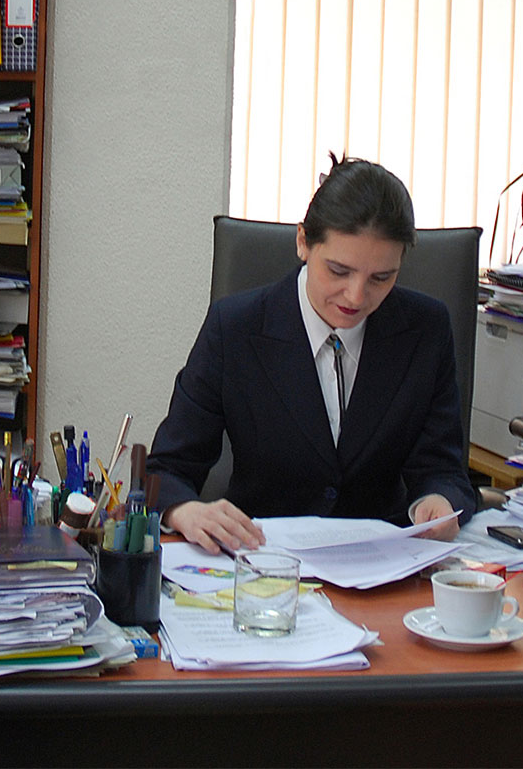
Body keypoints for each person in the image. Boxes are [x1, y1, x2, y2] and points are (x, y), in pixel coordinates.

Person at [148, 156, 478, 555]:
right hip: (261, 561)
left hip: (383, 566)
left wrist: (438, 501)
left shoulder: (425, 329)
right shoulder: (234, 328)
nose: (356, 296)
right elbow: (166, 469)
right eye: (339, 271)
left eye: (381, 278)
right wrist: (183, 510)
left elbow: (443, 469)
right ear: (303, 241)